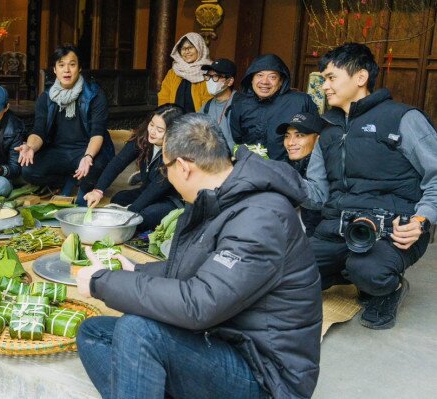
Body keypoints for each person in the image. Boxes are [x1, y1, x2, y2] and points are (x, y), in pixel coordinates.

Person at [75, 113, 322, 399]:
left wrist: (101, 284)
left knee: (139, 330)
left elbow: (199, 304)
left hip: (265, 375)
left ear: (182, 167)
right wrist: (137, 271)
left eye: (164, 168)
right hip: (223, 339)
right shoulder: (221, 197)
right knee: (94, 332)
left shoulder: (261, 217)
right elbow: (200, 270)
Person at [302, 43, 436, 329]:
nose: (324, 85)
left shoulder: (402, 119)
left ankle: (387, 288)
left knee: (371, 271)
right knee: (289, 271)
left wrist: (422, 220)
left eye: (331, 77)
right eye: (323, 78)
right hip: (335, 230)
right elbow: (316, 194)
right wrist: (279, 179)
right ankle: (347, 273)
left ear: (360, 78)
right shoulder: (327, 133)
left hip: (392, 232)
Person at [18, 45, 115, 206]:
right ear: (55, 70)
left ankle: (81, 181)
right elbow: (38, 131)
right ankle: (69, 179)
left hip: (85, 150)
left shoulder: (95, 95)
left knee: (98, 167)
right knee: (28, 169)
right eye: (61, 65)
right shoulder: (46, 97)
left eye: (72, 64)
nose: (67, 70)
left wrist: (88, 157)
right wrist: (30, 147)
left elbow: (97, 133)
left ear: (80, 67)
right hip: (58, 151)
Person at [83, 104, 183, 234]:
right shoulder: (143, 138)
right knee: (118, 199)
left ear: (172, 133)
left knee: (143, 217)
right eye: (151, 125)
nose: (152, 131)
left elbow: (157, 189)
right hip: (146, 189)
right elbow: (118, 162)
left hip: (170, 199)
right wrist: (98, 190)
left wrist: (131, 212)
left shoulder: (176, 153)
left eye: (159, 129)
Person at [230, 53, 317, 162]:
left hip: (289, 171)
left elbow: (315, 137)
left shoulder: (300, 101)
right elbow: (238, 138)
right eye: (260, 75)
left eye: (272, 77)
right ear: (251, 79)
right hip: (252, 169)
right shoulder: (240, 103)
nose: (265, 81)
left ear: (281, 81)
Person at [276, 112, 325, 236]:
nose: (290, 143)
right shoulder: (289, 165)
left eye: (299, 135)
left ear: (318, 138)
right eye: (287, 136)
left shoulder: (326, 169)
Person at [156, 32, 212, 112]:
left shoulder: (208, 72)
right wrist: (166, 116)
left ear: (200, 48)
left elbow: (208, 101)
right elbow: (164, 96)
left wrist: (199, 122)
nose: (187, 51)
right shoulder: (173, 72)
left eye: (191, 47)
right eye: (183, 48)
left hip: (197, 121)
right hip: (174, 120)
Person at [199, 58, 237, 152]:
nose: (210, 81)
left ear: (230, 81)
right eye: (208, 76)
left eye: (216, 76)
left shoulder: (240, 103)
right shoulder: (207, 106)